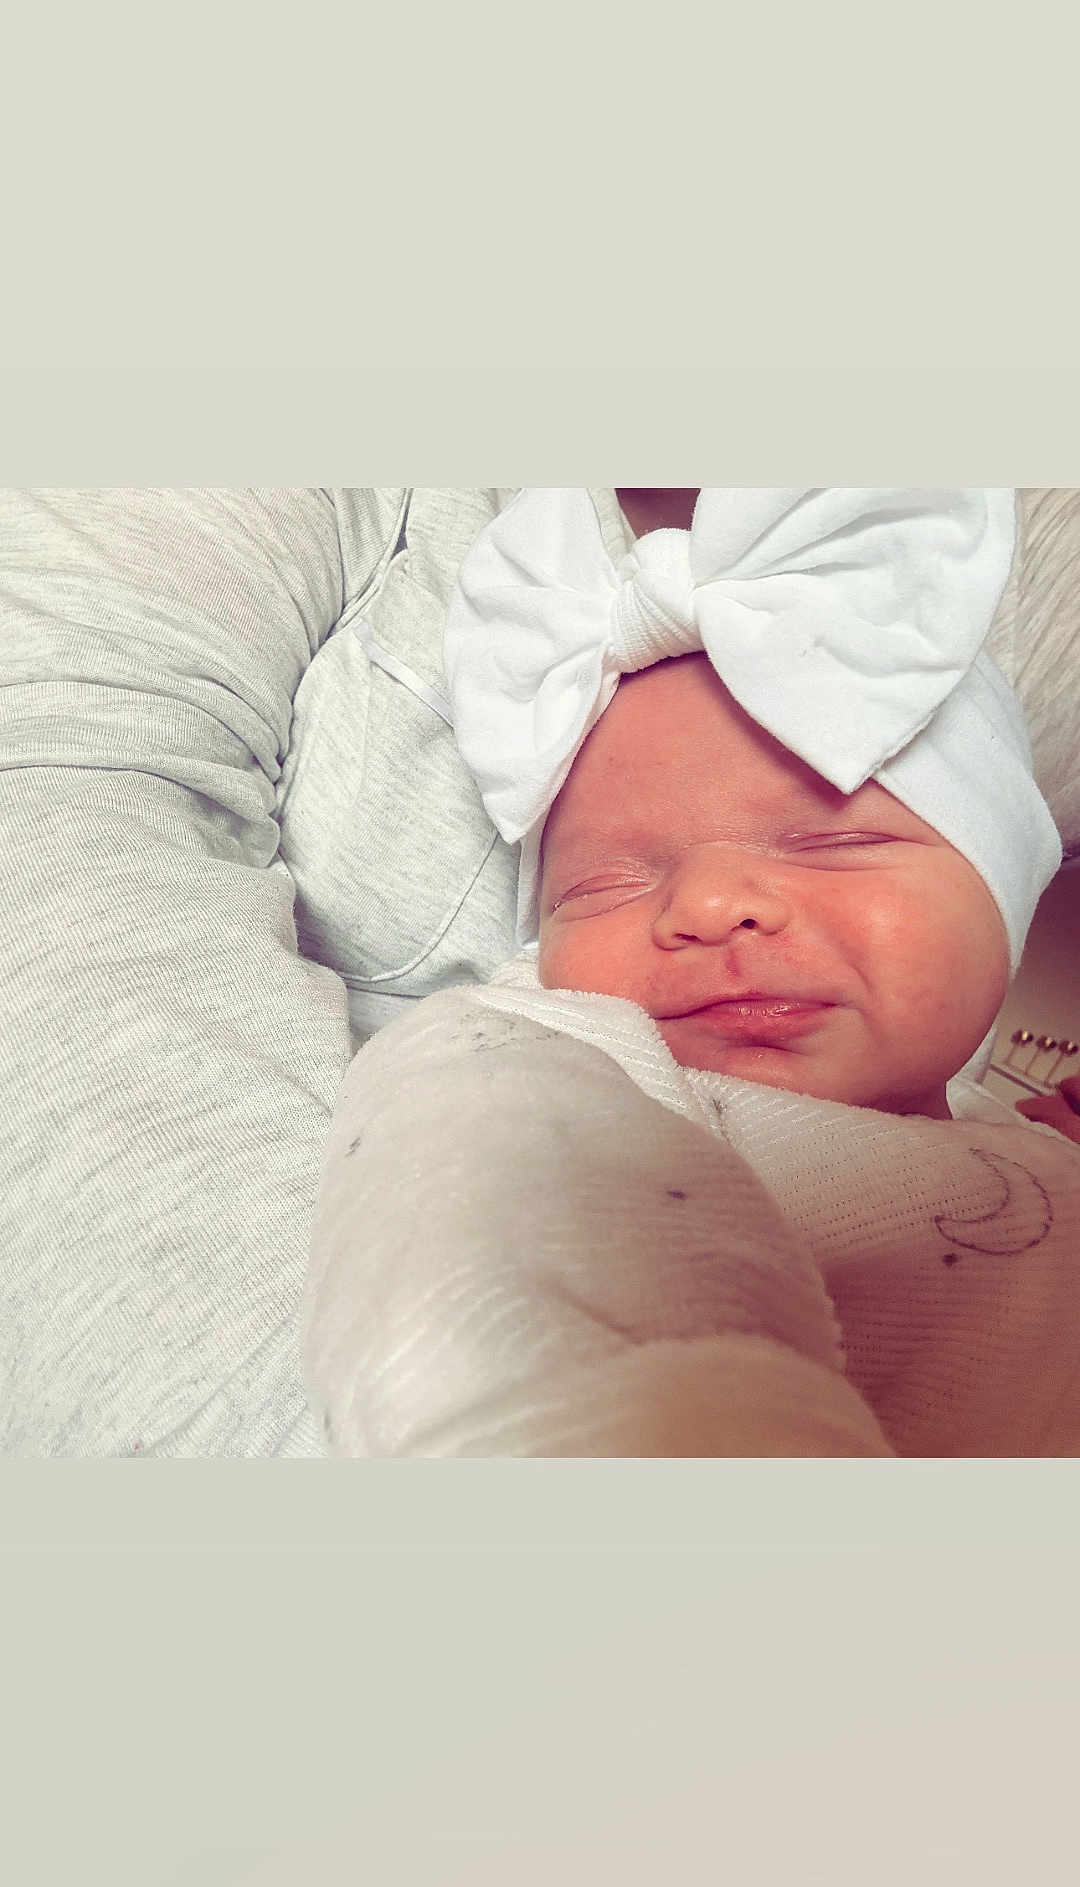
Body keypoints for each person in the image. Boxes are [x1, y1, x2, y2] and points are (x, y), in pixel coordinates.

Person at [304, 488, 1080, 1458]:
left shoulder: (1004, 1128)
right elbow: (469, 1295)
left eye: (827, 842)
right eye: (603, 884)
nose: (710, 905)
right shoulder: (530, 1074)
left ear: (1005, 896)